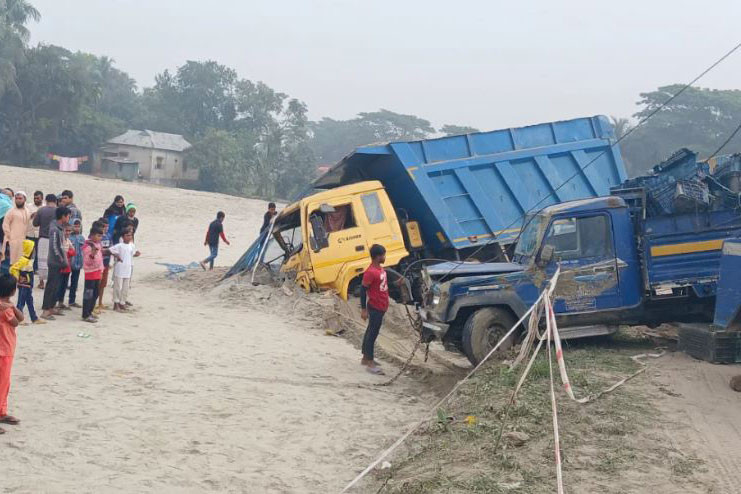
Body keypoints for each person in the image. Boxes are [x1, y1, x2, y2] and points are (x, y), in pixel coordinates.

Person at [360, 244, 390, 375]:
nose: (384, 257)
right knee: (372, 334)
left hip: (382, 305)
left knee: (371, 331)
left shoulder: (380, 270)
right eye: (383, 255)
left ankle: (365, 358)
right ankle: (370, 362)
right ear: (378, 256)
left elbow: (382, 286)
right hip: (375, 306)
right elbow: (363, 290)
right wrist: (363, 309)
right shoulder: (370, 272)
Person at [0, 273, 24, 433]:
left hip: (6, 349)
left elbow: (20, 318)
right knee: (2, 383)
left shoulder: (5, 305)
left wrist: (11, 305)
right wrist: (11, 307)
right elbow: (17, 321)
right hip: (3, 350)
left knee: (4, 383)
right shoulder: (4, 308)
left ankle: (1, 412)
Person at [41, 206, 70, 321]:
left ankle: (51, 307)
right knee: (51, 286)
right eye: (68, 216)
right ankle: (46, 310)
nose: (68, 218)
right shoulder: (54, 229)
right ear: (63, 216)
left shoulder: (59, 228)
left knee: (56, 286)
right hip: (54, 262)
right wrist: (61, 259)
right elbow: (54, 247)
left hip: (58, 262)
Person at [10, 240, 44, 326]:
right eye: (33, 249)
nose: (34, 251)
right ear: (29, 250)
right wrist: (18, 278)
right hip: (24, 285)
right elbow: (13, 268)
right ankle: (19, 319)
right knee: (21, 303)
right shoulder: (23, 260)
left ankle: (34, 318)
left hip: (28, 286)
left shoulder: (28, 261)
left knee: (30, 302)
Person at [109, 229, 140, 311]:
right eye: (127, 235)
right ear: (123, 237)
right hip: (119, 268)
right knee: (117, 286)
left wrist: (137, 254)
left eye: (130, 235)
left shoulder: (131, 245)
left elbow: (132, 254)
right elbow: (110, 250)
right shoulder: (119, 245)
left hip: (128, 268)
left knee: (125, 287)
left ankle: (122, 302)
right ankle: (116, 303)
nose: (129, 237)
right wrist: (117, 256)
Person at [33, 194, 58, 289]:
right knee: (52, 260)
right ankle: (50, 281)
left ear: (46, 200)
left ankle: (41, 282)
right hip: (54, 238)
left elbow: (35, 224)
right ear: (55, 201)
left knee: (41, 260)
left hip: (43, 237)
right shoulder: (58, 211)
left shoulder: (41, 210)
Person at [82, 225, 104, 323]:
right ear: (92, 235)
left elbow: (101, 259)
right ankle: (85, 314)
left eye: (101, 236)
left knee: (95, 293)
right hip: (90, 273)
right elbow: (87, 262)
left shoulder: (98, 245)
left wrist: (102, 270)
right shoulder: (88, 247)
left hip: (97, 272)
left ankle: (90, 312)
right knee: (88, 294)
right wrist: (92, 255)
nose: (100, 238)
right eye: (98, 236)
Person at [1, 192, 31, 266]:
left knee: (21, 264)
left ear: (25, 199)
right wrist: (9, 237)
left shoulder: (27, 211)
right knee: (10, 263)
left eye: (20, 198)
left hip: (23, 241)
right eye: (16, 199)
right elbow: (5, 225)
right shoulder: (11, 211)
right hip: (12, 241)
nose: (18, 200)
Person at [55, 225, 75, 311]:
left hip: (67, 266)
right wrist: (69, 252)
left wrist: (69, 252)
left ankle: (61, 302)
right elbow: (65, 252)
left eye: (69, 231)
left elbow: (73, 251)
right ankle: (56, 303)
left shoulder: (68, 240)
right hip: (61, 266)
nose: (68, 233)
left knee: (64, 285)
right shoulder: (61, 240)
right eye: (66, 231)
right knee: (59, 285)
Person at [95, 218, 112, 313]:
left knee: (103, 284)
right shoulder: (98, 236)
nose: (106, 228)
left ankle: (100, 302)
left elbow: (111, 248)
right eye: (104, 226)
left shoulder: (109, 235)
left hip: (106, 263)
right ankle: (94, 304)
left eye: (107, 226)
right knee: (96, 284)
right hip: (98, 265)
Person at [67, 219, 85, 308]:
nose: (77, 228)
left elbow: (84, 251)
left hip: (78, 263)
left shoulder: (82, 238)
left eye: (78, 226)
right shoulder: (68, 237)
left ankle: (72, 300)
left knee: (75, 283)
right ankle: (60, 301)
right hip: (69, 263)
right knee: (64, 282)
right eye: (75, 226)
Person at [28, 191, 43, 274]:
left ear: (42, 198)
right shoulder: (29, 206)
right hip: (29, 233)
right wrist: (34, 214)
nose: (36, 200)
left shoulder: (45, 207)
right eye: (35, 198)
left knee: (38, 252)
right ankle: (27, 267)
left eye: (38, 198)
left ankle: (35, 268)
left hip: (40, 233)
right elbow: (26, 216)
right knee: (28, 251)